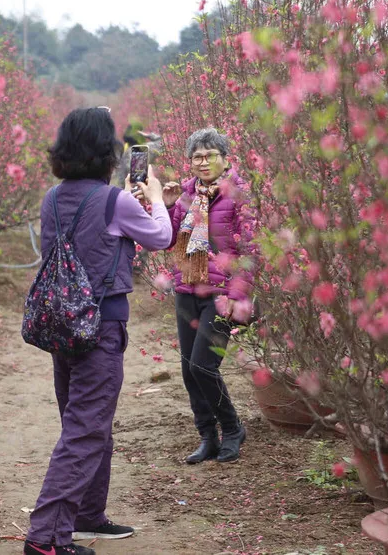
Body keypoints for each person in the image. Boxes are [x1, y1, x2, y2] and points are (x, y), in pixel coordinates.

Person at [24, 107, 173, 555]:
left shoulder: (51, 198)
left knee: (87, 423)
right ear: (107, 151)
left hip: (61, 323)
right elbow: (161, 237)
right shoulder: (116, 201)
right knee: (86, 430)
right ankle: (46, 538)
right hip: (102, 326)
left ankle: (87, 515)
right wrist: (157, 197)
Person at [161, 128, 254, 464]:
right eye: (197, 156)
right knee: (188, 368)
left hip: (220, 294)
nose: (203, 162)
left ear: (225, 158)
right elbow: (170, 239)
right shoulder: (186, 193)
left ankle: (232, 428)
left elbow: (249, 250)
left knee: (204, 365)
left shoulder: (238, 194)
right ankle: (207, 436)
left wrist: (236, 295)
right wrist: (169, 207)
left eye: (210, 155)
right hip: (187, 288)